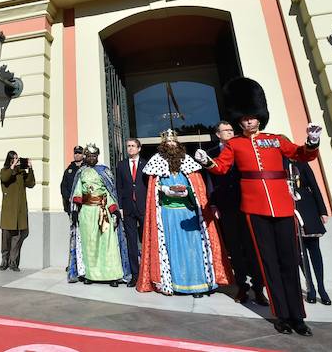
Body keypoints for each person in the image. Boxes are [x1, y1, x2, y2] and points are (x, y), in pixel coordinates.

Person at [195, 77, 322, 337]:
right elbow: (220, 167)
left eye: (253, 117)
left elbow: (301, 154)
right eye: (245, 118)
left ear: (258, 118)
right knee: (269, 263)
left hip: (283, 206)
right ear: (239, 120)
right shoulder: (235, 144)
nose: (249, 121)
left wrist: (312, 142)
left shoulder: (275, 140)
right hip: (254, 208)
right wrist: (207, 161)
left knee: (289, 260)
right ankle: (282, 315)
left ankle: (298, 316)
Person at [137, 129, 229, 296]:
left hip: (188, 213)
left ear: (178, 144)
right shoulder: (156, 161)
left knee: (193, 248)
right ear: (163, 145)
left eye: (173, 142)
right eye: (167, 142)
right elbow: (153, 188)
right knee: (172, 248)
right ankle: (174, 283)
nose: (171, 144)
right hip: (168, 213)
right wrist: (165, 189)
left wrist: (189, 192)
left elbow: (197, 186)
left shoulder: (187, 160)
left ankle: (198, 285)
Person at [208, 121, 268, 305]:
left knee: (252, 246)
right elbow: (209, 180)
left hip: (248, 203)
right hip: (226, 206)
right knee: (234, 247)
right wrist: (213, 204)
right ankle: (241, 286)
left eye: (231, 130)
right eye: (225, 130)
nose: (229, 132)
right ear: (218, 134)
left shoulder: (243, 146)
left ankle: (259, 288)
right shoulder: (211, 154)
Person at [67, 143, 131, 287]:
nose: (91, 158)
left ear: (97, 156)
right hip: (86, 213)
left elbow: (109, 192)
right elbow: (77, 191)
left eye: (94, 156)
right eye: (88, 156)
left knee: (107, 244)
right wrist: (75, 210)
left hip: (103, 212)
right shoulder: (81, 172)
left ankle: (112, 275)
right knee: (89, 244)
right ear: (85, 156)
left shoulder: (105, 171)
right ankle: (90, 275)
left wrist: (114, 208)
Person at [287, 159, 331, 305]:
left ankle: (322, 288)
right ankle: (310, 287)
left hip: (308, 207)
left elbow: (314, 186)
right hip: (290, 208)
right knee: (301, 253)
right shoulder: (278, 164)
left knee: (314, 249)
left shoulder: (302, 163)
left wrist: (322, 211)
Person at [115, 138, 147, 287]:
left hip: (144, 207)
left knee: (146, 240)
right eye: (128, 146)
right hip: (128, 209)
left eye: (133, 146)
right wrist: (120, 207)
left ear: (139, 148)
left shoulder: (146, 164)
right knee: (131, 242)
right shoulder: (121, 165)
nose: (130, 149)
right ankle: (135, 274)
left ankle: (148, 272)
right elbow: (119, 187)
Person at [0, 150, 35, 271]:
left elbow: (31, 183)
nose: (17, 161)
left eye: (17, 159)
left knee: (17, 237)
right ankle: (4, 260)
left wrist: (30, 169)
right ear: (9, 160)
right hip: (8, 211)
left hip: (19, 210)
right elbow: (5, 178)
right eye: (14, 159)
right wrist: (12, 167)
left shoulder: (21, 173)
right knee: (6, 238)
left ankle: (13, 262)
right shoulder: (5, 171)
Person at [60, 145, 85, 214]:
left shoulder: (87, 168)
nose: (77, 155)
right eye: (75, 153)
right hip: (72, 203)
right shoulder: (69, 170)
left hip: (84, 204)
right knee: (73, 223)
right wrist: (68, 197)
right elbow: (63, 186)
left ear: (83, 155)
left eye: (79, 153)